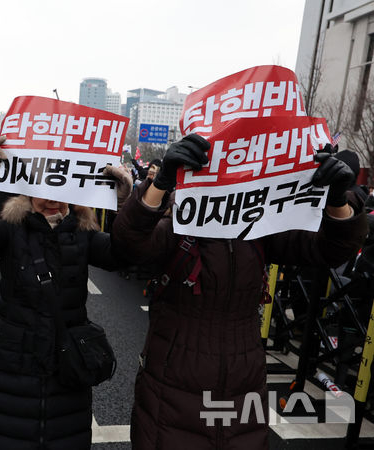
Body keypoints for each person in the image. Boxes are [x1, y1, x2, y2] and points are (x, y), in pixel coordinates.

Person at [111, 134, 368, 450]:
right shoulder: (178, 225)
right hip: (173, 385)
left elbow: (333, 248)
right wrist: (161, 182)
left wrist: (337, 199)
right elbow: (128, 243)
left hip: (244, 383)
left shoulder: (262, 228)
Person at [0, 136, 133, 449]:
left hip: (67, 364)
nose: (52, 201)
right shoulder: (11, 227)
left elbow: (125, 255)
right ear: (28, 190)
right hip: (13, 364)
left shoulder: (84, 231)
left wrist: (126, 207)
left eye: (61, 194)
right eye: (43, 193)